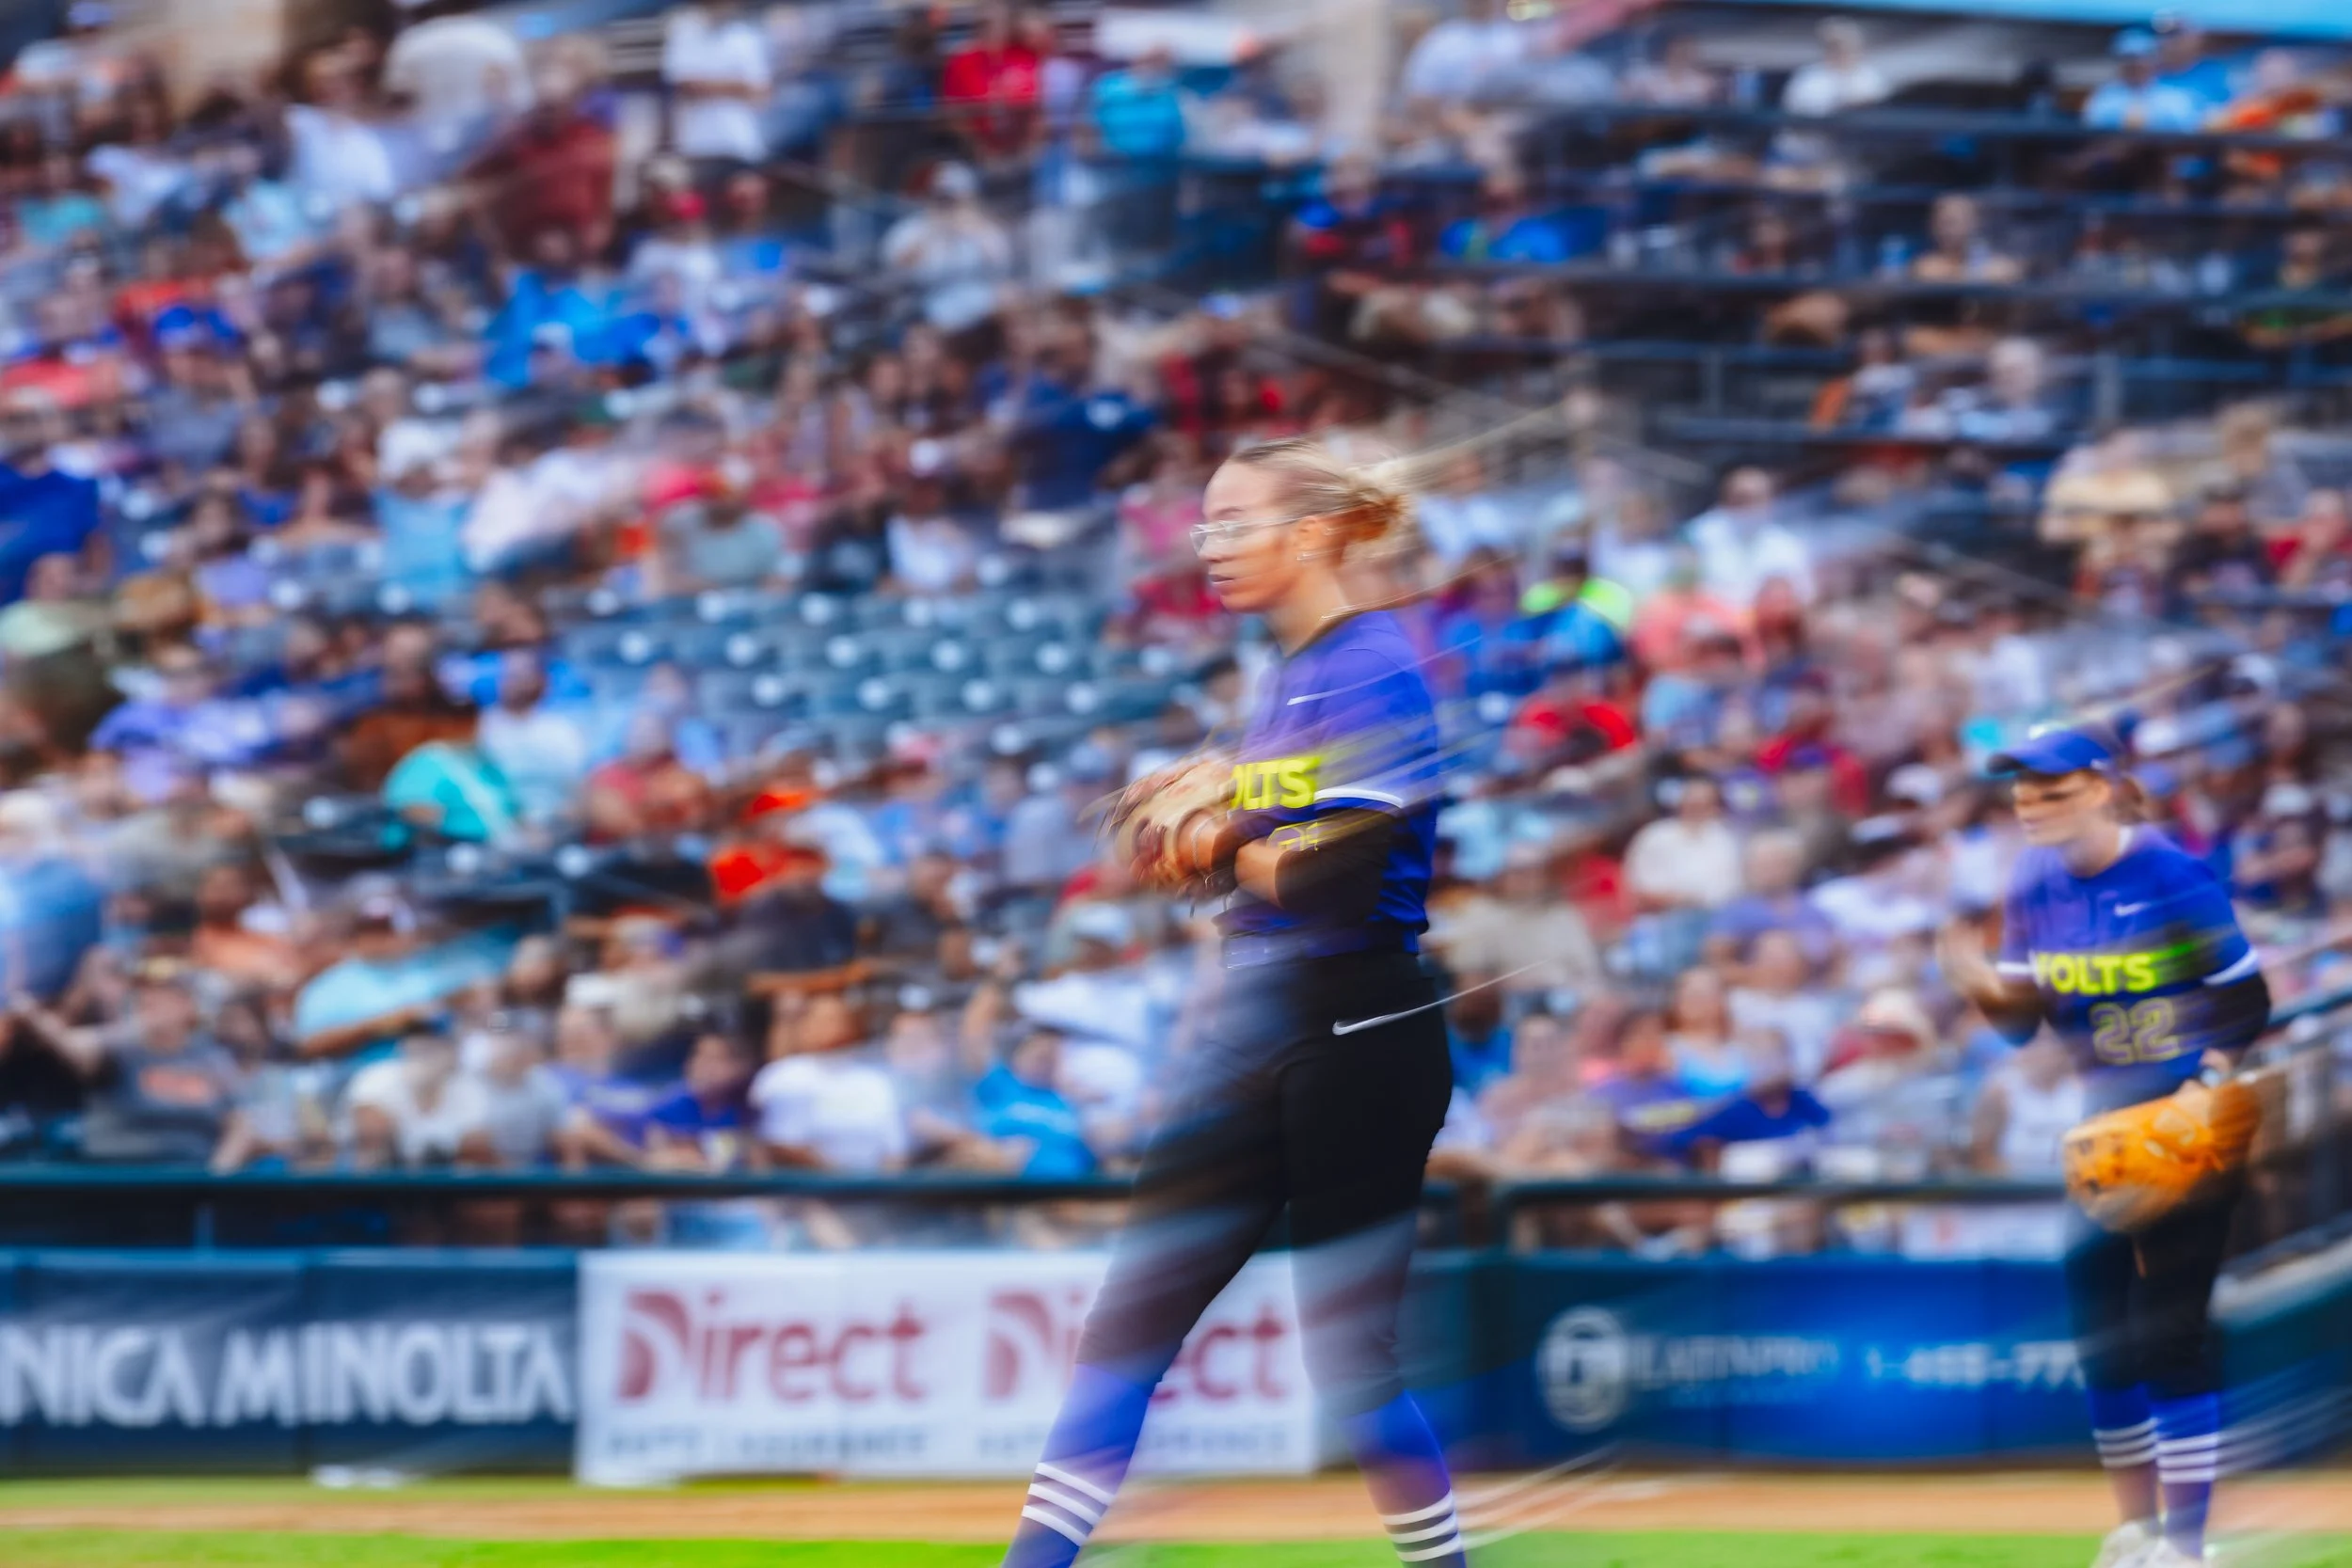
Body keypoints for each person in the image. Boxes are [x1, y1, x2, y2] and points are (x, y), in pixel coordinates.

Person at [997, 438, 1465, 1568]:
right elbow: (1271, 850)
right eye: (1204, 522)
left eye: (1231, 519)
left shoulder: (1367, 664)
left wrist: (1221, 836)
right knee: (1126, 1324)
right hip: (1263, 1014)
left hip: (1360, 1020)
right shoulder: (1291, 674)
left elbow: (1333, 880)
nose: (1207, 544)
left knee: (1350, 1357)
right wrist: (1229, 823)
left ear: (1309, 533)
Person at [1938, 726, 2270, 1568]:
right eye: (2020, 789)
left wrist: (2210, 1076)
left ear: (2098, 788)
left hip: (2187, 1120)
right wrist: (1981, 983)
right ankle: (2136, 1531)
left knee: (2170, 1335)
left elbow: (2246, 997)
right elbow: (2024, 1027)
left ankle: (2188, 1548)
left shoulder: (2169, 872)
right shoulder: (2033, 879)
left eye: (2048, 788)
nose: (2028, 803)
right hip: (2101, 1128)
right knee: (2101, 1332)